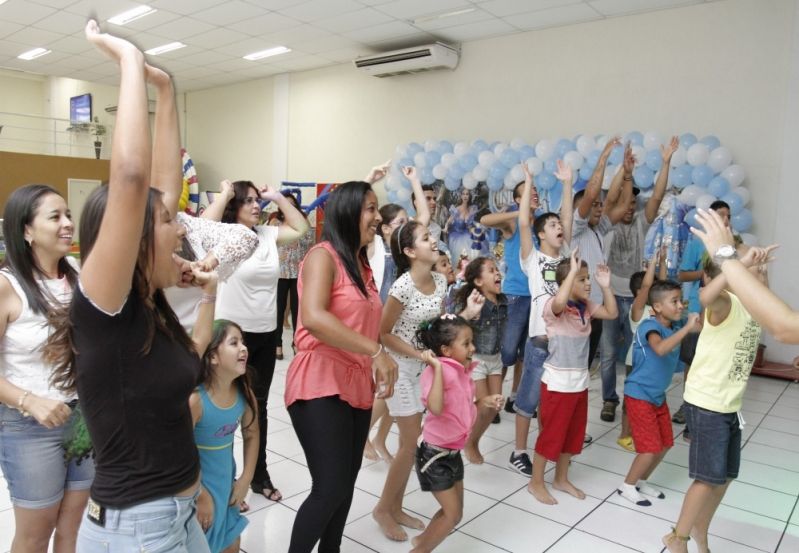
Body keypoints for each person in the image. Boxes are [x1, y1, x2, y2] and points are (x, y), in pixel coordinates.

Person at [45, 21, 212, 551]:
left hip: (176, 511)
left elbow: (158, 184)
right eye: (167, 224)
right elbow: (135, 179)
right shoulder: (105, 310)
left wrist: (167, 91)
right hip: (140, 527)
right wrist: (129, 61)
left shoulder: (148, 305)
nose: (181, 227)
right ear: (135, 241)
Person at [283, 180, 397, 553]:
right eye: (370, 208)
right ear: (348, 211)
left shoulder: (363, 267)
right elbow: (313, 318)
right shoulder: (322, 256)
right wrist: (375, 351)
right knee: (329, 486)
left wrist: (378, 358)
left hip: (356, 385)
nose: (377, 217)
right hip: (320, 379)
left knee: (345, 486)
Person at [203, 175, 309, 502]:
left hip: (265, 333)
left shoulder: (266, 235)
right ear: (234, 207)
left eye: (255, 199)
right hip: (231, 334)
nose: (255, 205)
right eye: (247, 200)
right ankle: (222, 481)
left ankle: (256, 474)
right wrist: (223, 193)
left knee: (257, 406)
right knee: (220, 407)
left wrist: (277, 196)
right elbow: (203, 225)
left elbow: (301, 228)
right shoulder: (225, 235)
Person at [0, 184, 92, 553]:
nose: (68, 223)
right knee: (35, 535)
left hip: (84, 420)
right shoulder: (8, 286)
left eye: (68, 214)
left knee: (74, 529)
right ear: (26, 230)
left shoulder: (80, 277)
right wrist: (30, 401)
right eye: (55, 217)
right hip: (29, 426)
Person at [662, 250, 768, 553]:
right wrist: (742, 265)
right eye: (752, 271)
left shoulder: (754, 308)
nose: (760, 276)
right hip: (707, 402)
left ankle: (699, 528)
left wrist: (757, 269)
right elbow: (707, 295)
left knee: (726, 476)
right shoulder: (727, 303)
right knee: (707, 479)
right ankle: (676, 538)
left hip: (728, 405)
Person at [373, 220, 448, 542]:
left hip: (424, 368)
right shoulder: (402, 287)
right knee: (408, 446)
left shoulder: (441, 281)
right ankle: (382, 509)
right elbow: (383, 333)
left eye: (432, 237)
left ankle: (396, 507)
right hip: (400, 369)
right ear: (408, 251)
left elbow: (434, 327)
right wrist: (419, 356)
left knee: (409, 444)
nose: (434, 242)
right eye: (426, 238)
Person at [598, 138, 677, 423]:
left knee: (637, 354)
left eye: (633, 202)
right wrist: (625, 170)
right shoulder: (608, 221)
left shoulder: (643, 220)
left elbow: (657, 195)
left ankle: (633, 399)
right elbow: (608, 201)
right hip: (610, 297)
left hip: (637, 300)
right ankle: (609, 400)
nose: (629, 207)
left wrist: (666, 162)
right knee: (607, 355)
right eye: (624, 202)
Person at [529, 253, 618, 504]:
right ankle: (535, 483)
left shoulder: (586, 308)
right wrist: (570, 275)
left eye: (587, 278)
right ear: (567, 282)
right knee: (551, 436)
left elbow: (611, 313)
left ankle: (561, 478)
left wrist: (605, 285)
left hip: (579, 384)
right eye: (581, 279)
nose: (587, 283)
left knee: (572, 435)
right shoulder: (553, 307)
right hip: (557, 385)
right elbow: (559, 302)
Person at [411, 316, 503, 553]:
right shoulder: (435, 373)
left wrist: (485, 401)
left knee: (454, 513)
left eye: (471, 342)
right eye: (466, 343)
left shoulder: (462, 371)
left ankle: (421, 541)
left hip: (452, 453)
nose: (473, 348)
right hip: (433, 455)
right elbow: (436, 408)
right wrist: (438, 369)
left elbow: (465, 404)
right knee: (452, 515)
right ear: (446, 350)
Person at [509, 162, 572, 477]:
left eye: (559, 224)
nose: (559, 227)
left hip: (565, 340)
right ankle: (518, 451)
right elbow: (523, 224)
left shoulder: (565, 257)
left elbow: (569, 219)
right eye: (552, 225)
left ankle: (547, 446)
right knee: (528, 399)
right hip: (540, 339)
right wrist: (529, 180)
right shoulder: (532, 259)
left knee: (553, 401)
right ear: (540, 234)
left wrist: (567, 184)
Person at [617, 281, 699, 507]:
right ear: (657, 307)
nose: (680, 306)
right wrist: (686, 328)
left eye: (681, 300)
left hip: (657, 397)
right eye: (674, 301)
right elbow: (661, 348)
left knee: (664, 444)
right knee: (650, 448)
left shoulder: (673, 327)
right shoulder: (649, 327)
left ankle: (641, 481)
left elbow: (698, 328)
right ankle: (627, 486)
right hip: (639, 395)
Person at [191, 319, 258, 553]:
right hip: (197, 488)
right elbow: (178, 452)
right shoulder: (196, 401)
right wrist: (200, 495)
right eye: (234, 342)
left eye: (243, 342)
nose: (244, 348)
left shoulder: (243, 392)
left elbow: (252, 434)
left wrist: (245, 480)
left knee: (232, 545)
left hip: (226, 485)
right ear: (212, 357)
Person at [671, 200, 733, 426]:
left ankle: (708, 408)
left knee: (715, 362)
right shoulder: (698, 243)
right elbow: (683, 275)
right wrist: (708, 273)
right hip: (699, 311)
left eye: (728, 215)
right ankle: (687, 406)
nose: (725, 219)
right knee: (693, 361)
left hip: (725, 311)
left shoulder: (734, 246)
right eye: (720, 215)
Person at [567, 137, 625, 372]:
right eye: (595, 206)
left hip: (596, 309)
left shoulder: (597, 231)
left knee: (585, 367)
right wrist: (604, 157)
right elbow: (591, 195)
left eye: (600, 206)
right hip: (577, 308)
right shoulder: (575, 228)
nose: (600, 208)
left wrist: (627, 173)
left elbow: (619, 204)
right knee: (569, 366)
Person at [480, 178, 537, 415]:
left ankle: (515, 397)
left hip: (537, 296)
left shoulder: (543, 224)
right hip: (514, 295)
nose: (533, 194)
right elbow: (484, 220)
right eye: (527, 193)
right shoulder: (514, 224)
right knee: (505, 352)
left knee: (526, 352)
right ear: (517, 199)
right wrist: (517, 213)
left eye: (534, 191)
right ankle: (495, 400)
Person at [453, 257, 506, 464]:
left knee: (494, 407)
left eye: (497, 270)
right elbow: (456, 324)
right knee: (483, 406)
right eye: (491, 271)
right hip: (476, 359)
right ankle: (469, 441)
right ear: (478, 281)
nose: (497, 273)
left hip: (495, 358)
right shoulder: (475, 302)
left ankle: (473, 439)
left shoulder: (503, 301)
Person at [618, 249, 667, 451]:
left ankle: (639, 432)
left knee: (647, 399)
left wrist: (663, 262)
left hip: (653, 361)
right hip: (636, 361)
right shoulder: (638, 309)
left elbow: (662, 287)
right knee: (632, 398)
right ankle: (624, 435)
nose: (654, 290)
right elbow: (648, 285)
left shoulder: (656, 307)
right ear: (640, 292)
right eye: (649, 288)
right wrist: (652, 263)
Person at [271, 191, 314, 360]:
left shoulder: (303, 223)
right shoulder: (275, 223)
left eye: (292, 204)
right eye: (285, 204)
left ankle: (297, 343)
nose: (288, 207)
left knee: (298, 312)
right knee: (278, 311)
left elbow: (309, 243)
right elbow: (269, 245)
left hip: (299, 273)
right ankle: (277, 344)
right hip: (279, 273)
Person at [446, 189, 481, 259]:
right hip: (456, 235)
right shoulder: (457, 209)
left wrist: (475, 231)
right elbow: (448, 221)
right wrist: (446, 227)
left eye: (467, 194)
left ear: (470, 196)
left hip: (467, 234)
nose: (465, 196)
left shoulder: (472, 209)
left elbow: (470, 226)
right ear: (461, 196)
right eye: (463, 194)